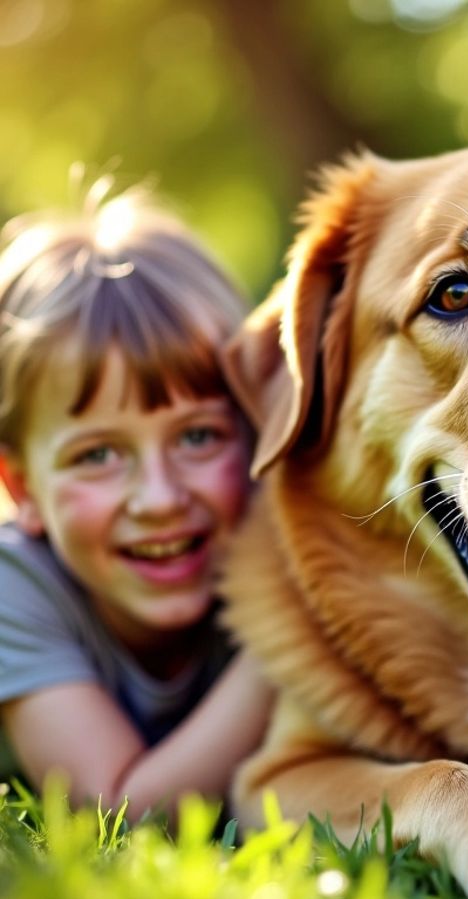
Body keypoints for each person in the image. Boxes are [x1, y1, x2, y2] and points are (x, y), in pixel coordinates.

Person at [0, 177, 273, 820]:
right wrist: (298, 641)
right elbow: (116, 814)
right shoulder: (14, 588)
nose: (158, 498)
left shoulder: (273, 536)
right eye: (97, 455)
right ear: (22, 489)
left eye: (199, 436)